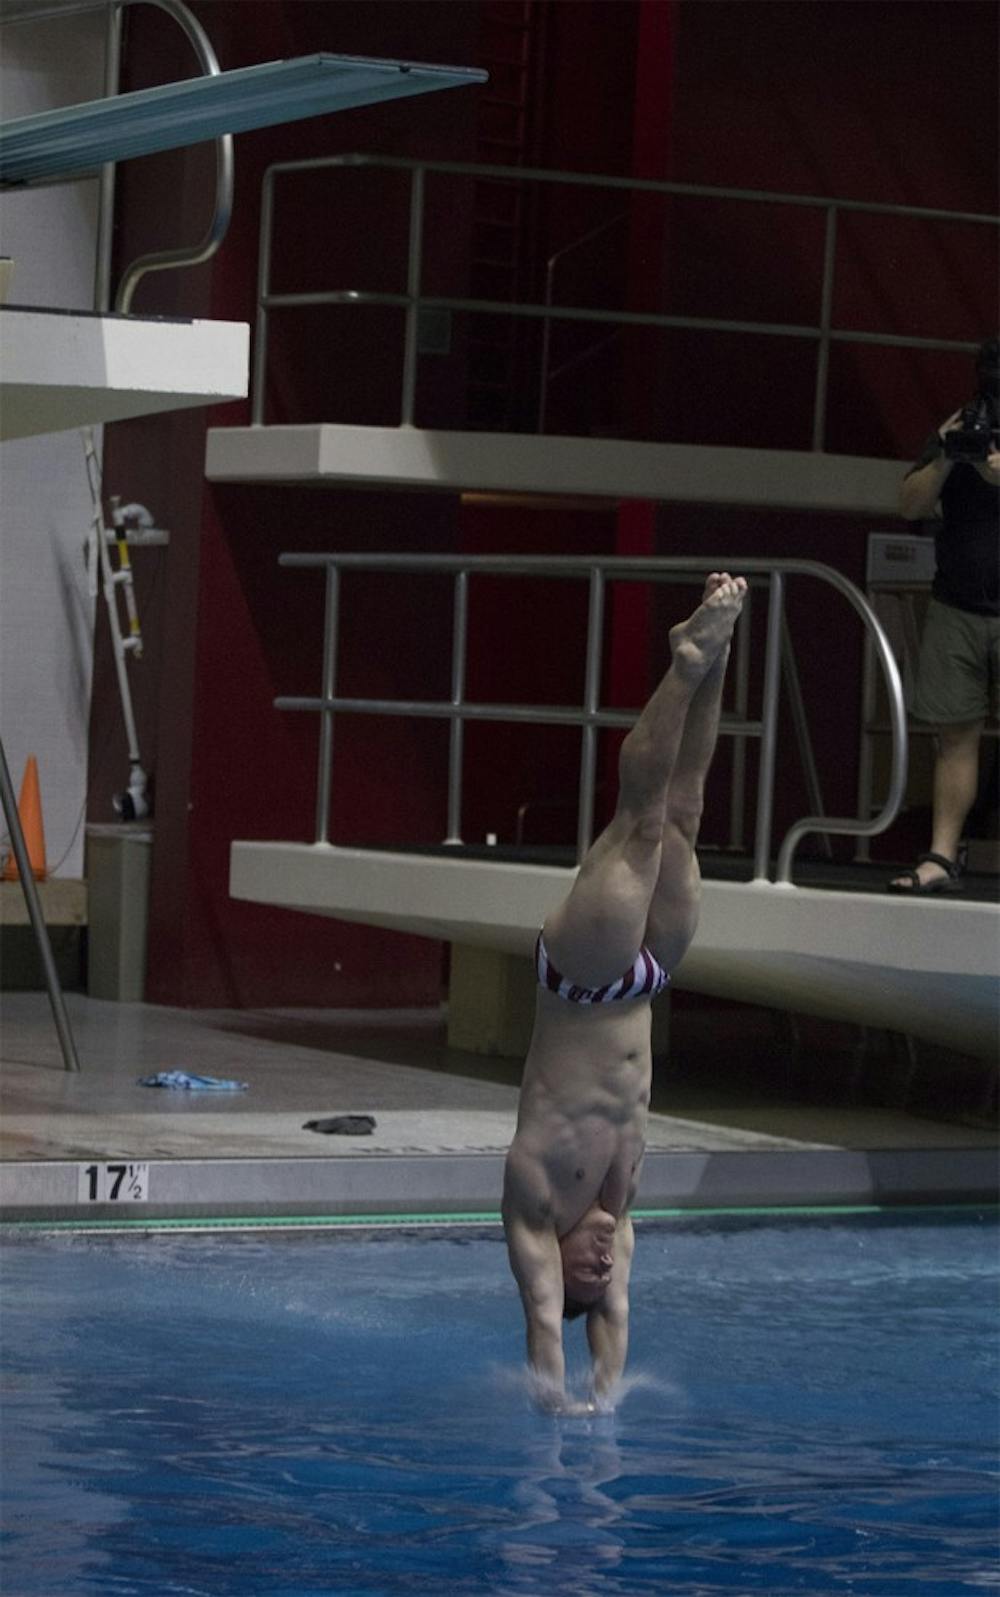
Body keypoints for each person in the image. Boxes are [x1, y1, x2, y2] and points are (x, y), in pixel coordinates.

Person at [502, 572, 747, 1414]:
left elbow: (546, 1327)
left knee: (637, 823)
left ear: (552, 1258)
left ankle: (682, 663)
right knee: (682, 818)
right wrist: (605, 1399)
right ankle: (713, 662)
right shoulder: (617, 1212)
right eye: (598, 1276)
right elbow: (613, 1312)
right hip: (645, 977)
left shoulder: (537, 1205)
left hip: (583, 978)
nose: (601, 1265)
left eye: (583, 1270)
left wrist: (559, 1398)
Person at [889, 337, 1000, 895]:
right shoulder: (961, 426)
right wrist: (950, 459)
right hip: (958, 603)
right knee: (955, 735)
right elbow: (909, 504)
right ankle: (941, 855)